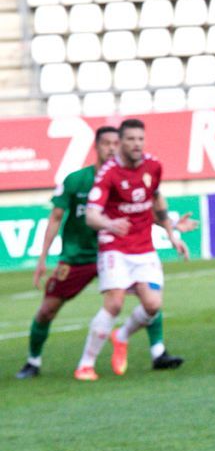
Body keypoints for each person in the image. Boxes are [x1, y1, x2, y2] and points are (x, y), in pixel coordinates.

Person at [16, 126, 190, 379]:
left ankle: (158, 352)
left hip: (117, 250)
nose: (111, 148)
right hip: (80, 255)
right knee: (47, 309)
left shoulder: (132, 174)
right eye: (106, 143)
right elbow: (55, 218)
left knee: (149, 297)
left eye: (114, 143)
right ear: (96, 147)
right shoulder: (77, 180)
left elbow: (139, 210)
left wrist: (171, 227)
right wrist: (43, 259)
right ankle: (33, 361)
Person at [75, 119, 189, 381]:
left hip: (144, 247)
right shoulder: (108, 173)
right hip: (114, 246)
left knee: (152, 305)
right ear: (121, 143)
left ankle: (122, 335)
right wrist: (110, 223)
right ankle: (86, 364)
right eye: (130, 139)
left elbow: (157, 199)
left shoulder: (153, 166)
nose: (136, 144)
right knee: (114, 303)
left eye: (140, 139)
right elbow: (92, 216)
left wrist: (172, 233)